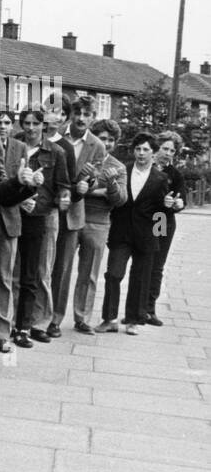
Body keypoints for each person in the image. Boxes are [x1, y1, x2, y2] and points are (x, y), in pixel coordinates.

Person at [48, 96, 108, 337]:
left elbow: (94, 179)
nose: (81, 118)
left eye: (87, 114)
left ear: (93, 117)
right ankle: (42, 316)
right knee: (47, 267)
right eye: (78, 113)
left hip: (73, 212)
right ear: (71, 114)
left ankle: (66, 319)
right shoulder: (55, 134)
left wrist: (88, 182)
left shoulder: (97, 146)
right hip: (49, 207)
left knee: (64, 267)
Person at [99, 133, 169, 334]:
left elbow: (161, 210)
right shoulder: (123, 170)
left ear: (153, 153)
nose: (141, 153)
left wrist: (159, 238)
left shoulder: (160, 178)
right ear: (133, 151)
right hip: (121, 233)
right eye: (138, 149)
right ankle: (109, 319)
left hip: (146, 236)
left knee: (140, 278)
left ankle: (133, 321)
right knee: (113, 274)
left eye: (146, 149)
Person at [0, 108, 38, 353]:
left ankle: (2, 331)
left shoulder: (19, 147)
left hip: (9, 217)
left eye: (6, 122)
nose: (2, 126)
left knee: (3, 277)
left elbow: (23, 183)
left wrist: (28, 191)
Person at [12, 107, 70, 347]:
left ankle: (34, 324)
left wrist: (62, 199)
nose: (31, 128)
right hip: (14, 213)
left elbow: (64, 186)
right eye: (26, 123)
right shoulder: (15, 146)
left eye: (36, 124)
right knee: (11, 272)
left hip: (41, 216)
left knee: (37, 272)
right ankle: (9, 323)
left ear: (43, 126)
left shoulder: (55, 152)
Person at [72, 119, 128, 332]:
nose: (107, 143)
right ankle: (51, 319)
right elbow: (73, 186)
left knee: (89, 274)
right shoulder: (81, 157)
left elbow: (121, 199)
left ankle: (82, 318)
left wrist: (110, 185)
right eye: (103, 138)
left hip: (98, 222)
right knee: (60, 269)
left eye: (111, 139)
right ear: (94, 138)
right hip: (73, 217)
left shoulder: (118, 167)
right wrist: (99, 191)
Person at [145, 131, 186, 325]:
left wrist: (178, 204)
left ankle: (150, 308)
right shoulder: (145, 166)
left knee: (156, 263)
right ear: (157, 148)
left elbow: (182, 198)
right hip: (142, 219)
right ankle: (135, 306)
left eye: (172, 150)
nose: (168, 153)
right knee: (141, 262)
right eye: (165, 148)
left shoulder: (175, 174)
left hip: (161, 220)